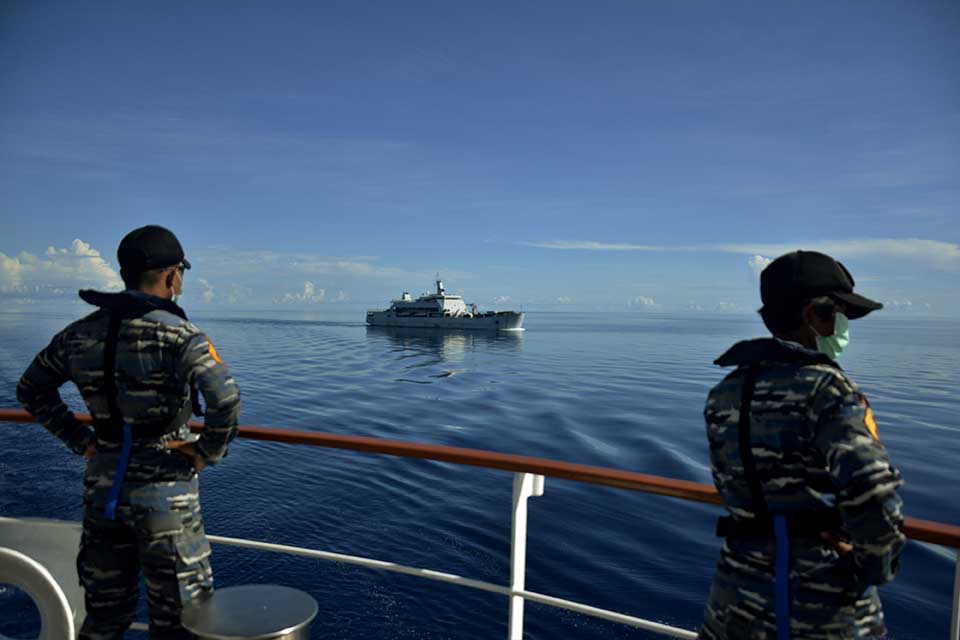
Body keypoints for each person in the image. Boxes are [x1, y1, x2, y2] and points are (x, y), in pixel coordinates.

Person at [17, 225, 241, 639]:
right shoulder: (181, 336)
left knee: (104, 617)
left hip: (104, 489)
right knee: (181, 622)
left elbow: (31, 389)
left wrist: (80, 440)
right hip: (165, 494)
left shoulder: (80, 333)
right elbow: (225, 400)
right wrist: (205, 453)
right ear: (173, 276)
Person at [698, 250, 905, 640]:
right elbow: (873, 488)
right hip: (820, 604)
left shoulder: (726, 391)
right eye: (842, 315)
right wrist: (874, 567)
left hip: (736, 596)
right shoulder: (827, 388)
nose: (846, 328)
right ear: (815, 315)